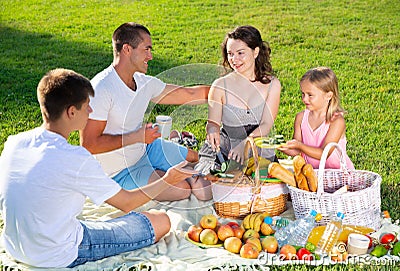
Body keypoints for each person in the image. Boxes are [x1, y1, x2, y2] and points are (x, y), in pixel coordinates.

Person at [0, 69, 196, 268]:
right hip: (59, 253)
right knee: (161, 221)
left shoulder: (14, 143)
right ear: (71, 112)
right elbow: (127, 203)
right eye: (87, 106)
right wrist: (168, 180)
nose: (91, 112)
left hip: (15, 246)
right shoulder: (75, 158)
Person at [80, 22, 212, 201]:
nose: (150, 56)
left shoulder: (143, 82)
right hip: (118, 172)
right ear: (127, 49)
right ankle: (167, 165)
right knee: (182, 190)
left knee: (200, 165)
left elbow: (188, 94)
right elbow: (89, 145)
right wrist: (136, 137)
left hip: (148, 149)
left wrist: (225, 91)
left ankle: (174, 150)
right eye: (146, 49)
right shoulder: (102, 89)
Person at [196, 25, 281, 174]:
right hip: (225, 149)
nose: (234, 60)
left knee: (264, 189)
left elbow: (267, 123)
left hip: (256, 146)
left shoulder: (272, 84)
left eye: (240, 53)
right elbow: (213, 123)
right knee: (205, 188)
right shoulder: (220, 85)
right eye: (230, 54)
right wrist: (212, 130)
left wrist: (246, 144)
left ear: (255, 52)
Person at [278, 67, 354, 169]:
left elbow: (324, 154)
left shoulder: (336, 121)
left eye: (310, 95)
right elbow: (296, 150)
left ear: (328, 95)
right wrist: (277, 145)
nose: (304, 99)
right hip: (313, 174)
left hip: (339, 176)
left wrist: (300, 145)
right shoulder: (301, 118)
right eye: (303, 93)